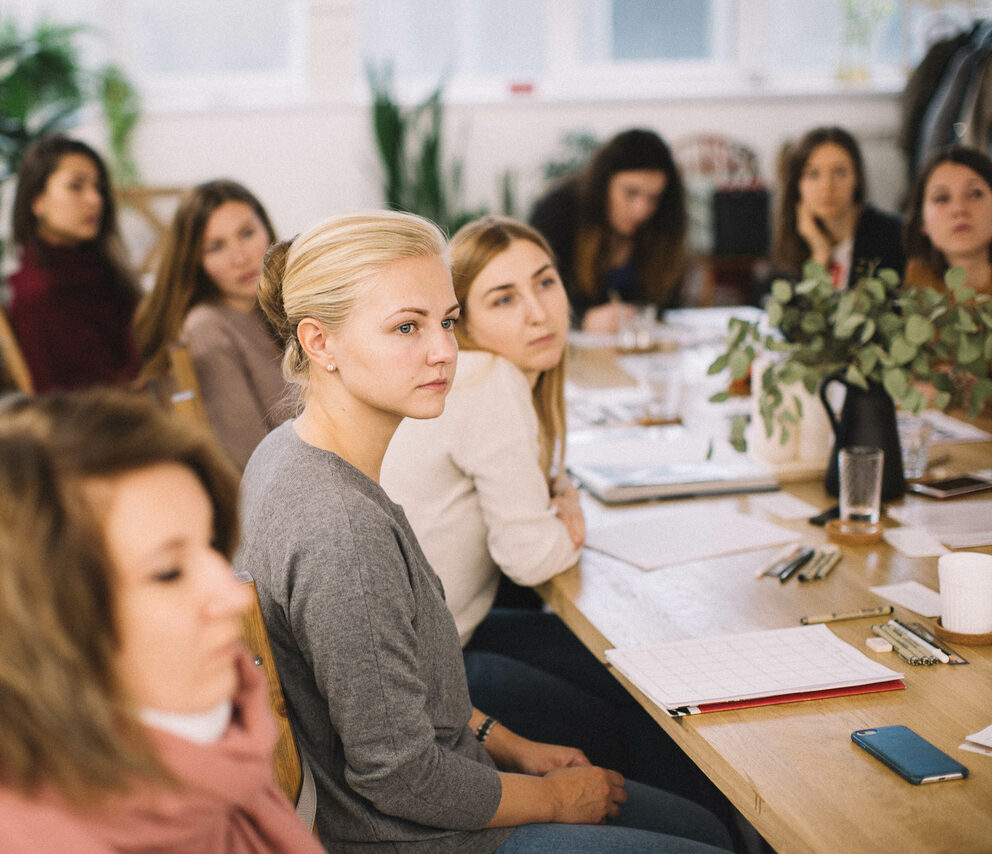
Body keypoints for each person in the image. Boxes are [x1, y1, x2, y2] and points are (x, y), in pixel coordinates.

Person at [236, 209, 733, 853]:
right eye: (406, 328)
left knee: (700, 825)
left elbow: (391, 690)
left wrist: (511, 743)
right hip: (415, 838)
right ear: (319, 343)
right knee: (709, 838)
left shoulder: (284, 450)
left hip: (431, 795)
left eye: (445, 321)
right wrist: (555, 798)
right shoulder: (343, 529)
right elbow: (400, 778)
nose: (445, 349)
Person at [380, 215, 731, 823]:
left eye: (545, 284)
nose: (538, 313)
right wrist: (569, 525)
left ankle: (710, 820)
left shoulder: (488, 380)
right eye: (503, 299)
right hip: (428, 679)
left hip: (447, 638)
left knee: (629, 669)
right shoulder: (487, 378)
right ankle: (706, 826)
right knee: (636, 700)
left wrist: (551, 518)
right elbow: (529, 556)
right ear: (463, 322)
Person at [0, 390, 323, 854]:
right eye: (168, 572)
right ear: (28, 631)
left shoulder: (210, 757)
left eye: (212, 546)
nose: (231, 597)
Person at [134, 180, 288, 470]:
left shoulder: (269, 305)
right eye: (216, 247)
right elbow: (253, 461)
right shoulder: (207, 330)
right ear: (195, 260)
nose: (240, 258)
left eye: (247, 233)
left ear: (266, 228)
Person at [7, 136, 140, 392]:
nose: (95, 200)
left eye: (98, 187)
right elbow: (81, 400)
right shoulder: (39, 294)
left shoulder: (96, 270)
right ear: (37, 201)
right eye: (76, 186)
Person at [528, 129, 687, 333]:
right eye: (631, 193)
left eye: (653, 198)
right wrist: (582, 319)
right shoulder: (558, 212)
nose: (641, 210)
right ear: (603, 184)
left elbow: (666, 308)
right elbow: (536, 296)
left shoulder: (663, 225)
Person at [771, 127, 904, 288]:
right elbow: (798, 312)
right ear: (797, 185)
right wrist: (820, 253)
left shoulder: (893, 237)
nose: (827, 186)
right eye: (813, 174)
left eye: (839, 172)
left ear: (857, 179)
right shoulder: (795, 241)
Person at [903, 144, 992, 296]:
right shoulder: (919, 275)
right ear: (922, 222)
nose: (959, 209)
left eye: (974, 194)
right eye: (942, 198)